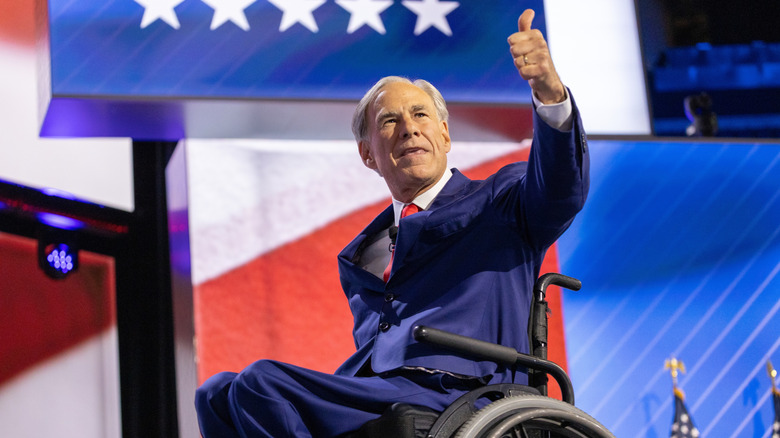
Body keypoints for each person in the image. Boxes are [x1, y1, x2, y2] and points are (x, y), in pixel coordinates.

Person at [195, 8, 589, 438]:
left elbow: (561, 187)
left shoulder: (500, 199)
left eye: (421, 116)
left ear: (445, 135)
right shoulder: (366, 252)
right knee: (215, 394)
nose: (408, 129)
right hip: (377, 390)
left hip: (464, 391)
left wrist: (550, 95)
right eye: (390, 121)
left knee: (261, 383)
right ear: (368, 155)